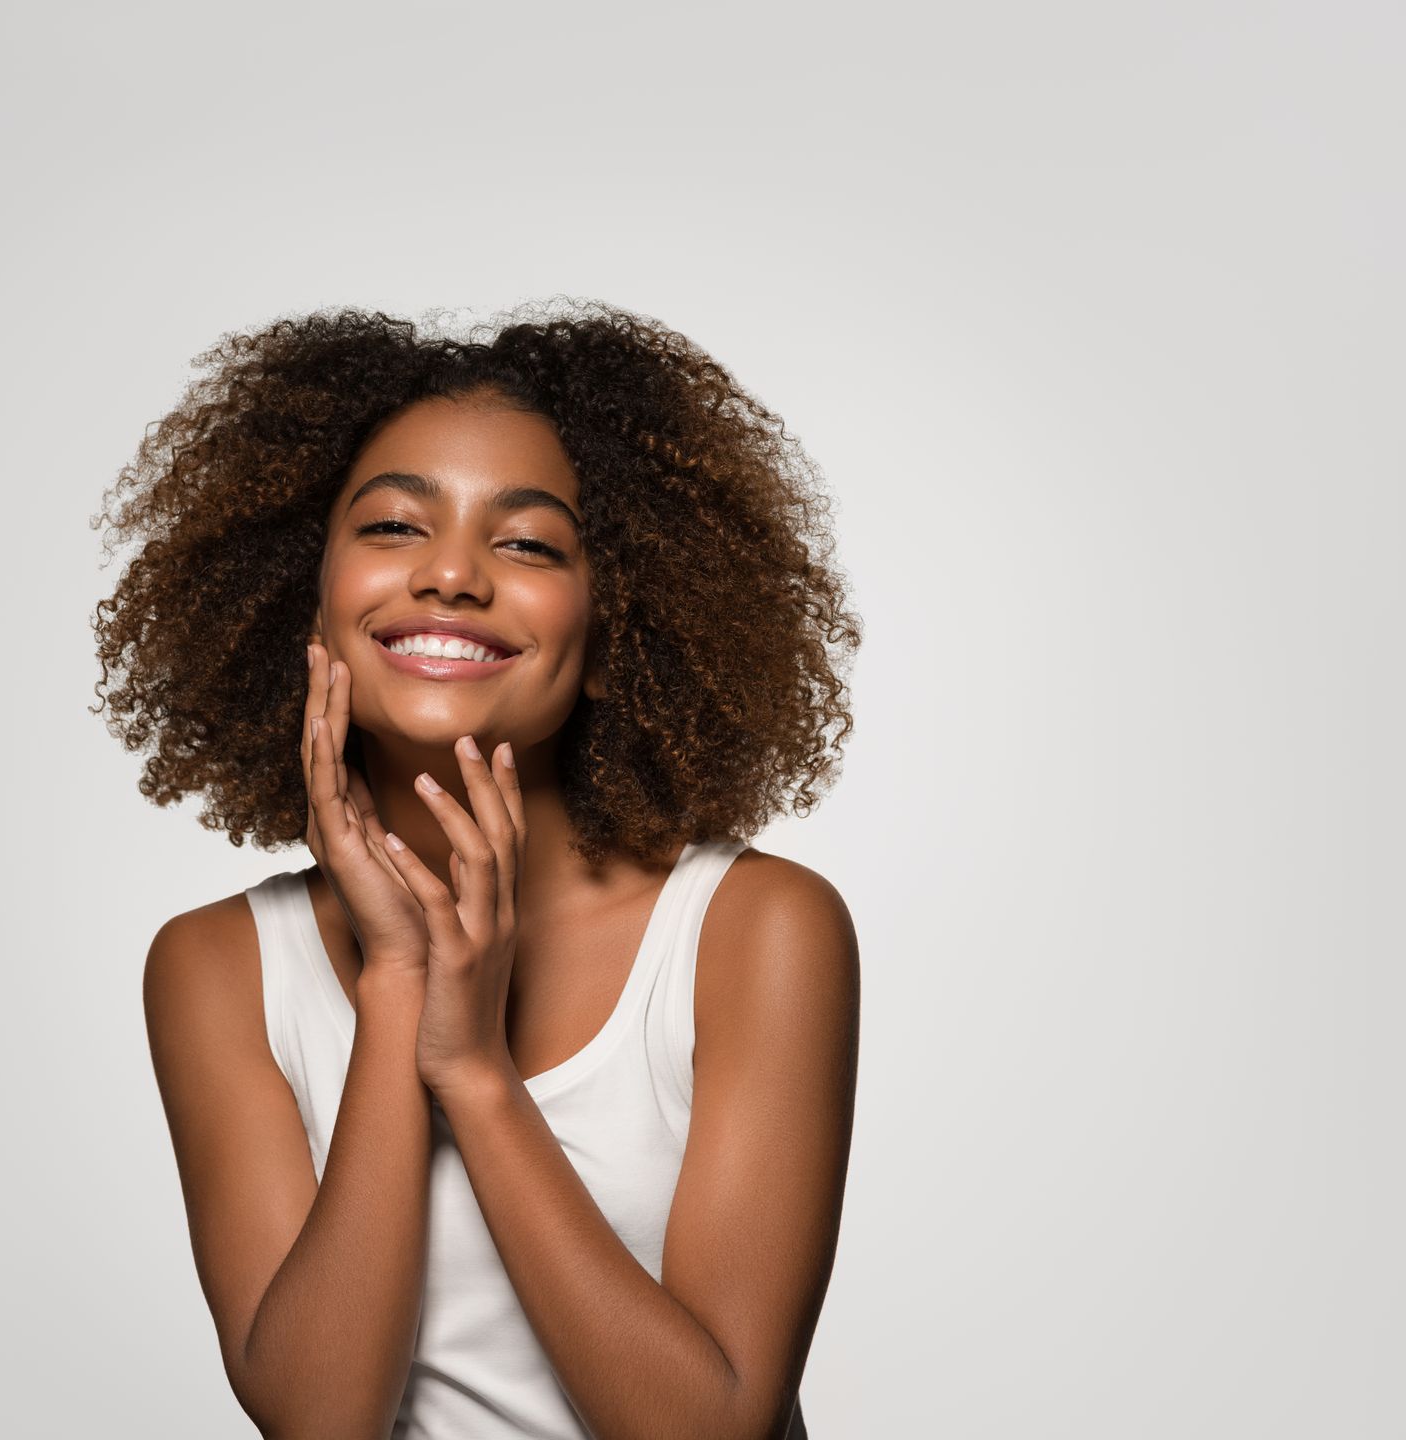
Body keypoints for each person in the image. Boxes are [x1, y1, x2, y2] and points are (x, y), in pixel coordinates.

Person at [95, 300, 862, 1439]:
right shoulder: (215, 967)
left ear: (610, 635)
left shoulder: (757, 931)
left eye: (528, 543)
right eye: (395, 527)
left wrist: (478, 1073)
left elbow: (714, 1427)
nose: (452, 574)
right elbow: (318, 1420)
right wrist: (400, 978)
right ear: (304, 601)